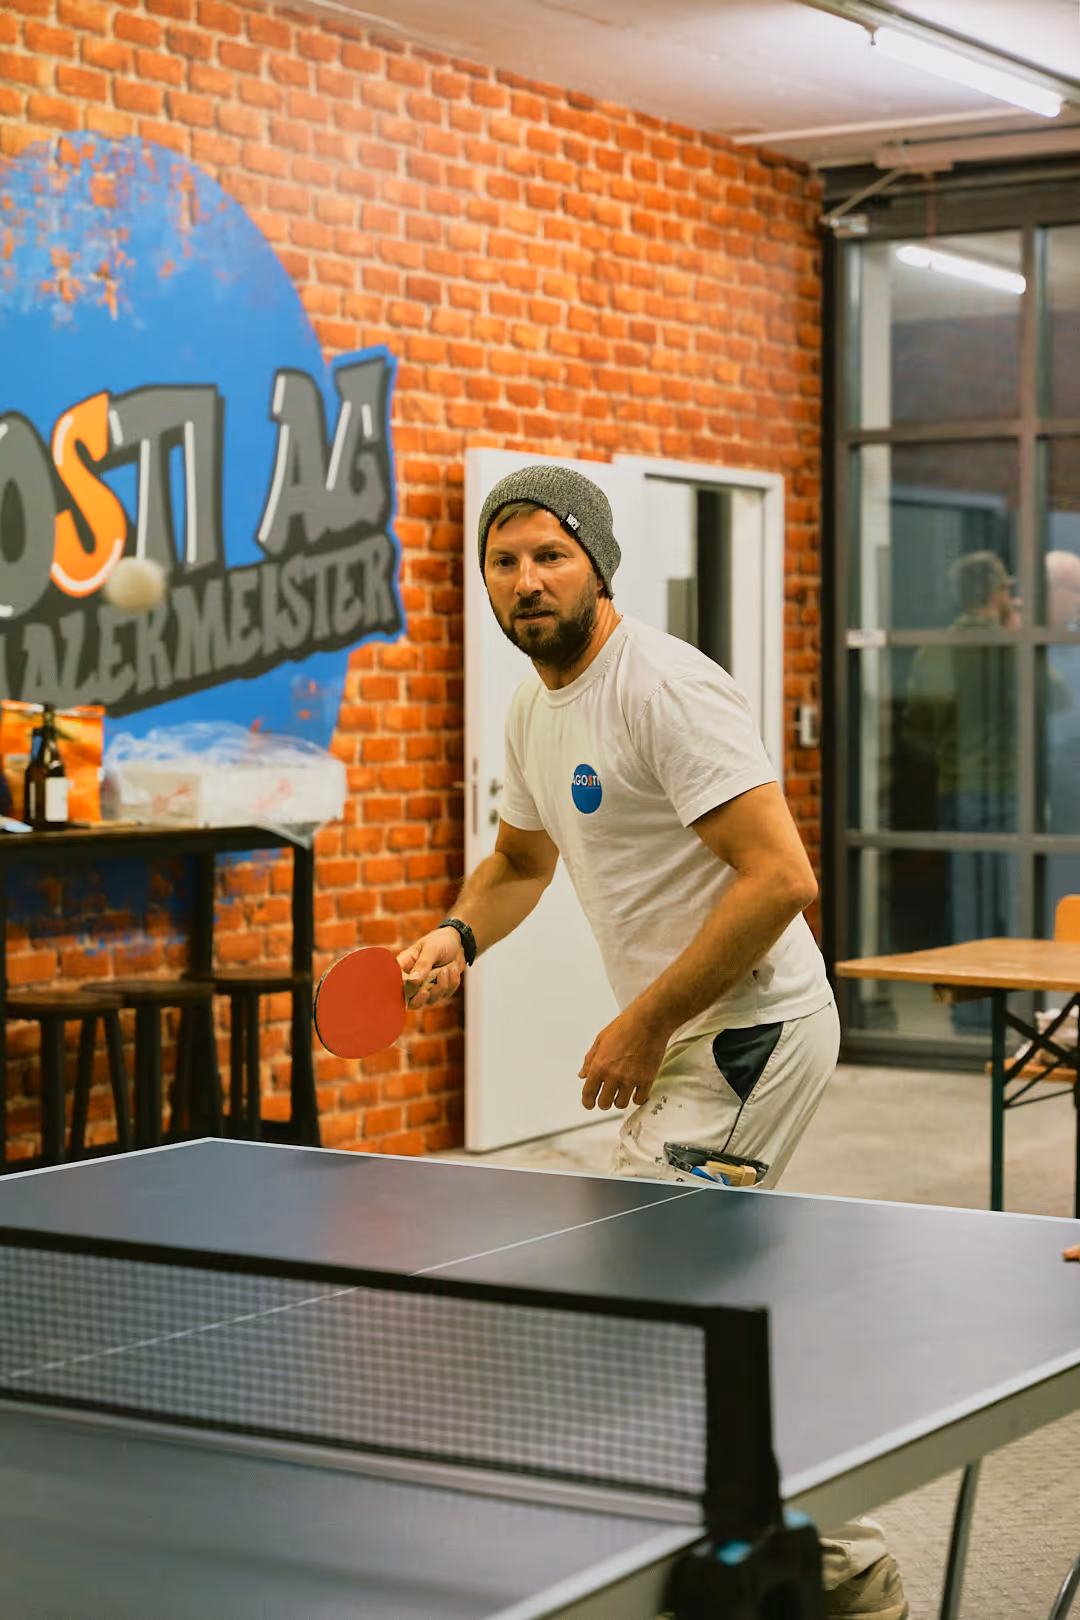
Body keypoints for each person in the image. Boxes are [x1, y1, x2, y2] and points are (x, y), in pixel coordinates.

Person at [398, 464, 906, 1619]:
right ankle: (850, 1557)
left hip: (752, 1036)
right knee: (685, 1311)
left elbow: (783, 877)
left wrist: (645, 1020)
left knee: (645, 1301)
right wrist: (456, 935)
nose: (526, 581)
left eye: (550, 554)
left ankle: (844, 1564)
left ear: (598, 562)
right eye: (505, 560)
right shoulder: (534, 706)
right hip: (694, 1037)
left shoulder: (664, 688)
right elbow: (523, 862)